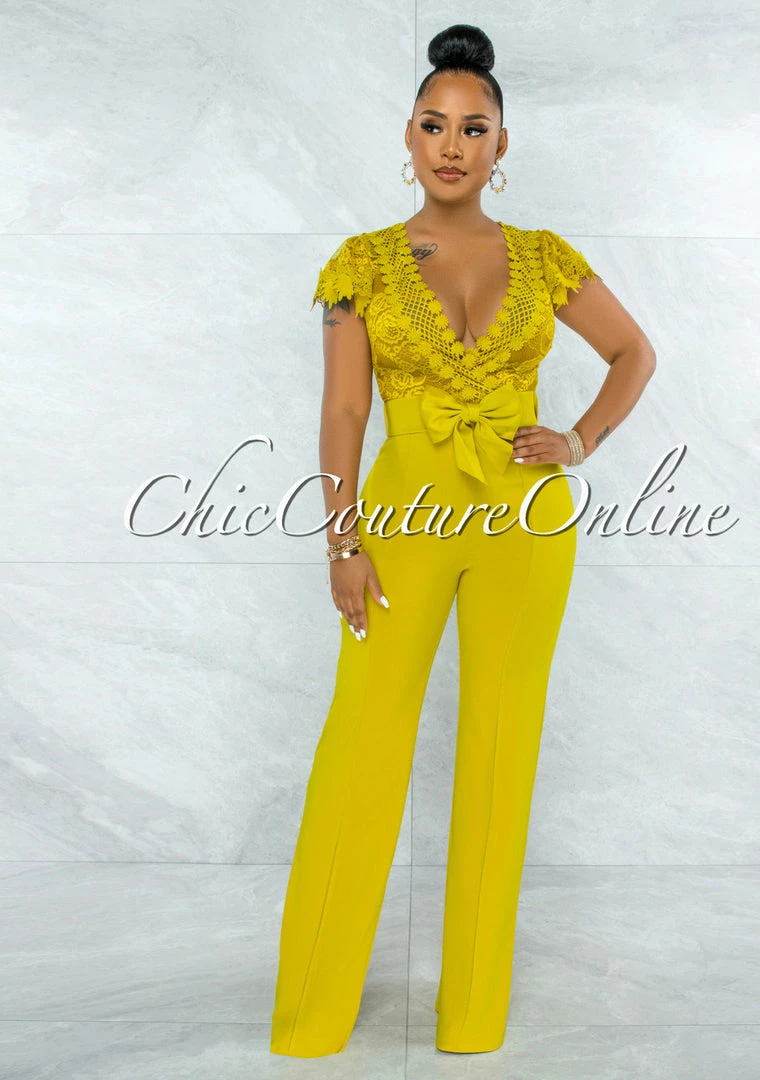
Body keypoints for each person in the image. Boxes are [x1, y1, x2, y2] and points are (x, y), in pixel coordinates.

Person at [270, 22, 656, 1059]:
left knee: (500, 750)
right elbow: (343, 411)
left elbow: (632, 352)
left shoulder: (545, 257)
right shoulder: (359, 265)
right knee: (363, 741)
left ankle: (474, 1016)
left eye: (474, 127)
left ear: (501, 145)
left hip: (528, 522)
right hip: (403, 521)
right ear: (409, 136)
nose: (453, 144)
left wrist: (578, 439)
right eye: (434, 124)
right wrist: (341, 543)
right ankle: (310, 1017)